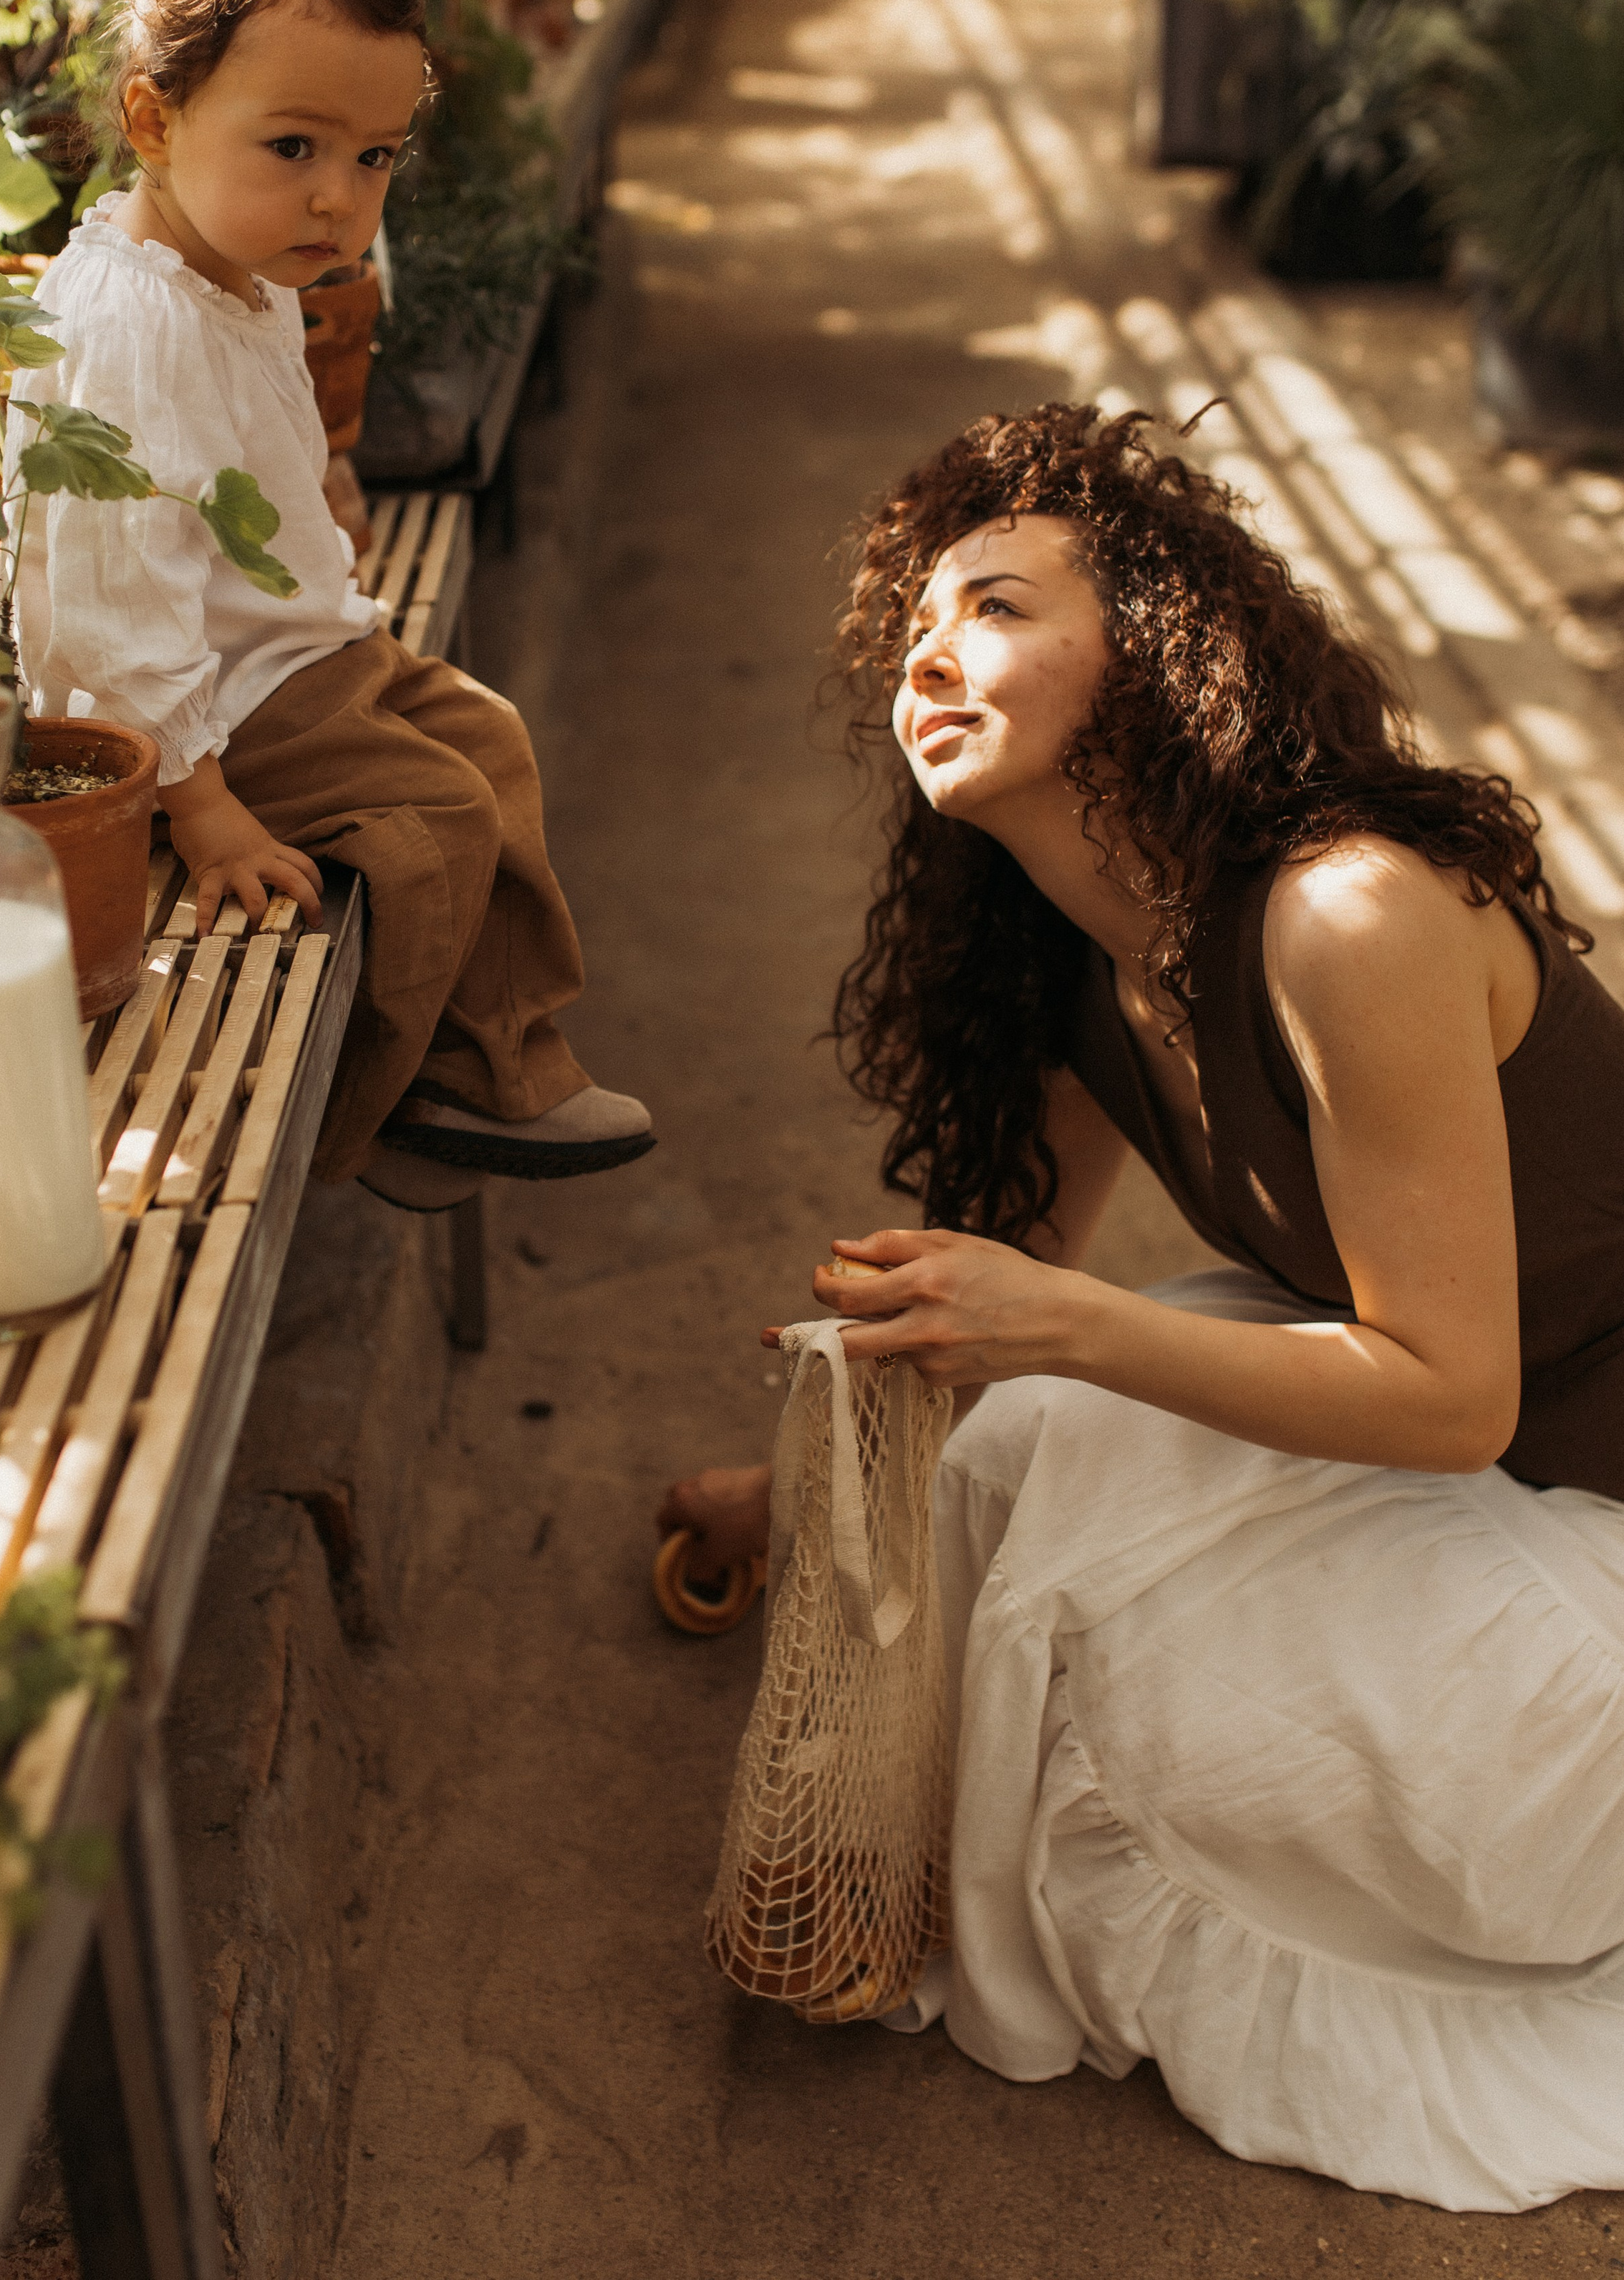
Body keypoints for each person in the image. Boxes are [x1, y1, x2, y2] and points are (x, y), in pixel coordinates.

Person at [662, 403, 1624, 2213]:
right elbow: (985, 1296)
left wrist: (1056, 1326)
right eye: (912, 638)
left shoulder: (1351, 913)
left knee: (1082, 1450)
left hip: (1588, 1584)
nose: (929, 659)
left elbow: (1449, 1400)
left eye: (998, 608)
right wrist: (790, 1494)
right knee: (1044, 1440)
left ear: (1162, 642)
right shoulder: (1088, 964)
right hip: (1509, 1514)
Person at [4, 0, 652, 1208]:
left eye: (372, 158)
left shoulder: (227, 270)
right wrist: (202, 806)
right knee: (435, 816)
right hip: (214, 704)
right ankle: (387, 1105)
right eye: (293, 147)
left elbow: (241, 470)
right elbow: (108, 602)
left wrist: (323, 499)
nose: (338, 200)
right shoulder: (131, 323)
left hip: (288, 643)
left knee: (488, 738)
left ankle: (501, 1061)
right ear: (152, 116)